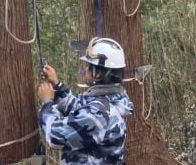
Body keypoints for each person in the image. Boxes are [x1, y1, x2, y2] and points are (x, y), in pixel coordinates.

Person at [37, 37, 134, 165]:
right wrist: (58, 86)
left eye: (88, 66)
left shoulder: (99, 113)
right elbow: (79, 109)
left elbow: (55, 136)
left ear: (98, 73)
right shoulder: (113, 99)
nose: (85, 70)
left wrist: (47, 104)